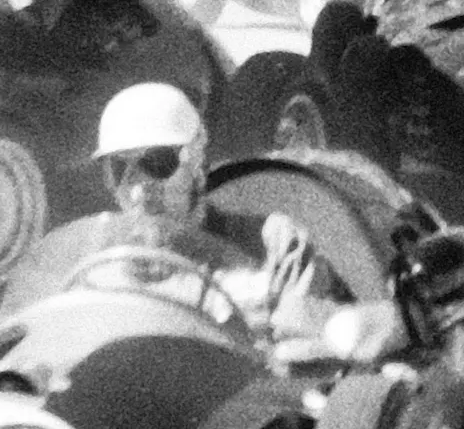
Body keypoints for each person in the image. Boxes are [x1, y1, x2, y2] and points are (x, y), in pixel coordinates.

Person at [28, 84, 341, 343]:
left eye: (158, 163)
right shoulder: (98, 261)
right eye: (119, 168)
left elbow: (304, 328)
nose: (138, 187)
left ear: (196, 165)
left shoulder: (266, 233)